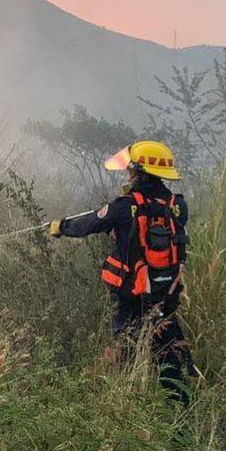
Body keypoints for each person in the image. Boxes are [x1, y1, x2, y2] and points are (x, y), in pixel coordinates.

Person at [47, 140, 194, 404]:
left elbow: (90, 223)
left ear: (140, 173)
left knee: (123, 349)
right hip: (165, 294)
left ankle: (118, 402)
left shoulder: (125, 207)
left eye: (131, 171)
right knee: (169, 356)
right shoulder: (178, 206)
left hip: (130, 295)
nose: (128, 175)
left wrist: (61, 226)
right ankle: (179, 412)